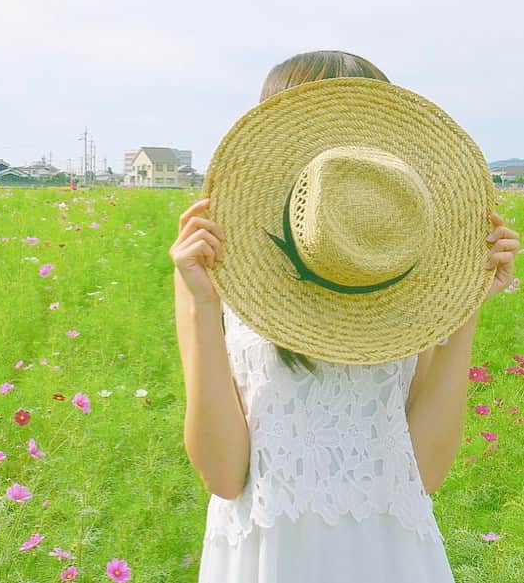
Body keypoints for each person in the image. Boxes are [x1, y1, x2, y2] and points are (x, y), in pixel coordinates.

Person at [169, 50, 521, 582]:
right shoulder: (211, 267)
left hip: (390, 554)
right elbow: (222, 475)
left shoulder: (403, 275)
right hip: (267, 556)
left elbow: (423, 471)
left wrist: (461, 304)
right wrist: (201, 304)